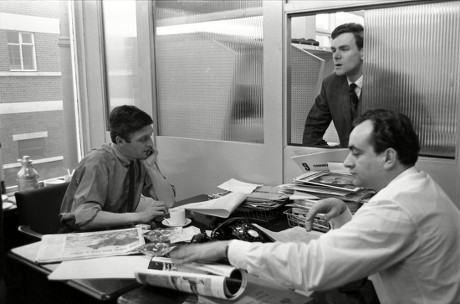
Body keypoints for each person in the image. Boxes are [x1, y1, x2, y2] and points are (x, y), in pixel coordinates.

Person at [171, 109, 460, 303]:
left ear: (388, 157)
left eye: (356, 153)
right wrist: (344, 214)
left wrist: (226, 248)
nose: (347, 162)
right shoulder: (418, 188)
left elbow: (312, 268)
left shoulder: (398, 206)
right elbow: (377, 249)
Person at [60, 105, 175, 232]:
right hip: (81, 234)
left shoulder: (140, 157)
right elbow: (84, 218)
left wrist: (151, 167)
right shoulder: (97, 162)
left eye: (150, 136)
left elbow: (168, 202)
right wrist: (139, 216)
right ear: (120, 141)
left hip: (116, 232)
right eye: (143, 139)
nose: (150, 144)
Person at [302, 23, 363, 147]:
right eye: (333, 50)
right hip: (346, 162)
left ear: (363, 52)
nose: (336, 56)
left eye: (344, 49)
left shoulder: (386, 83)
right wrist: (329, 158)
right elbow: (312, 131)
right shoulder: (331, 83)